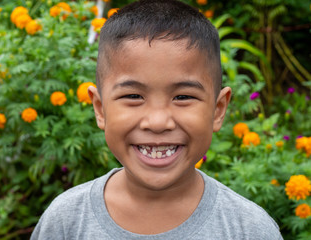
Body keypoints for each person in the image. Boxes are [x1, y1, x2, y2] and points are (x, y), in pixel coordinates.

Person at [31, 0, 283, 239]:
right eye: (133, 96)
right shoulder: (66, 221)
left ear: (217, 110)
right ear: (100, 108)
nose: (158, 121)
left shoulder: (248, 229)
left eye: (183, 96)